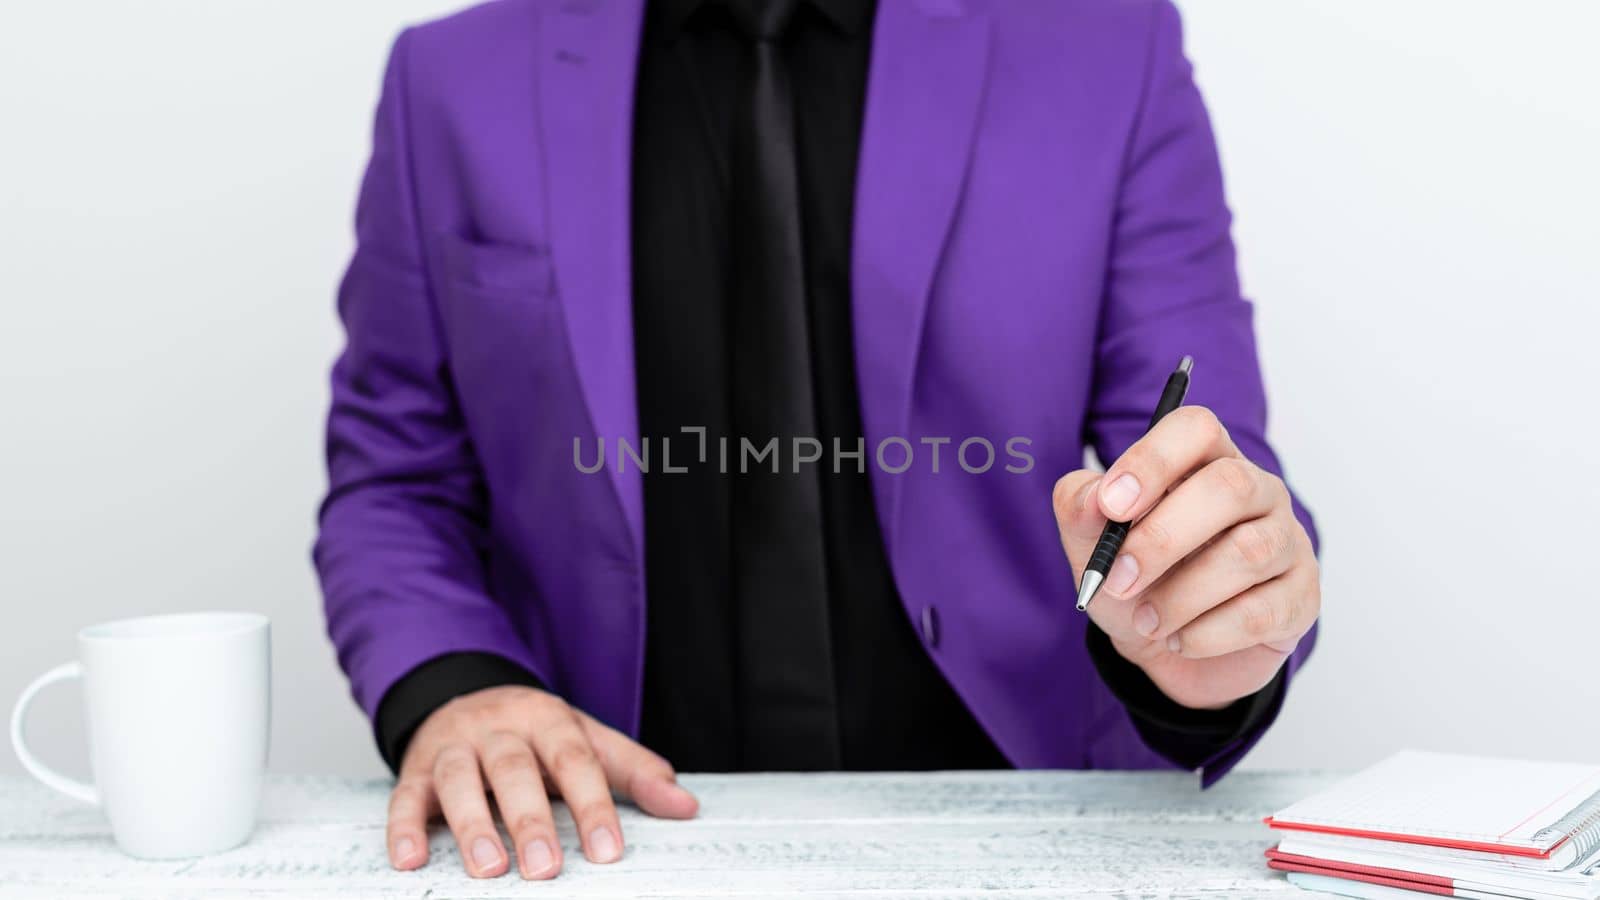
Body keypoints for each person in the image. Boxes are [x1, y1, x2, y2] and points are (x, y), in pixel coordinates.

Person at [315, 0, 1321, 882]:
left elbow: (1208, 460)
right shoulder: (449, 79)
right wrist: (454, 684)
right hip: (596, 843)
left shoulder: (1113, 46)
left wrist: (1215, 620)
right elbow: (395, 481)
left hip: (1021, 830)